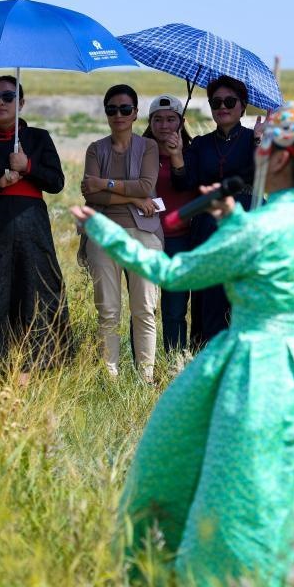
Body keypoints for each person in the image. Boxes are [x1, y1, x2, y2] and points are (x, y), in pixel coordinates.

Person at [71, 102, 294, 587]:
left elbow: (173, 272)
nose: (256, 154)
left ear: (279, 159)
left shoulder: (263, 227)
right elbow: (268, 270)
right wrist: (235, 222)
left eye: (263, 146)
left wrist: (103, 231)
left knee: (230, 486)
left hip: (256, 372)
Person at [0, 75, 70, 379]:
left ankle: (28, 372)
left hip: (32, 229)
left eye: (8, 97)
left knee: (34, 293)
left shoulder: (39, 138)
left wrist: (27, 166)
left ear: (21, 102)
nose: (1, 103)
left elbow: (56, 182)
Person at [169, 76, 264, 345]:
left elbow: (264, 178)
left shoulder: (254, 139)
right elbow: (184, 183)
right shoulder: (200, 144)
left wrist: (260, 143)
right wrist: (177, 155)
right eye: (216, 102)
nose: (222, 107)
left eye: (229, 102)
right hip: (208, 227)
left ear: (242, 106)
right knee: (209, 297)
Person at [81, 85, 162, 382]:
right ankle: (110, 377)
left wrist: (106, 183)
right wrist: (135, 199)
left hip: (144, 235)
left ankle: (146, 377)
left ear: (136, 113)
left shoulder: (148, 147)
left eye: (125, 109)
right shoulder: (95, 148)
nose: (119, 115)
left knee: (145, 309)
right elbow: (90, 194)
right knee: (108, 310)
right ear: (106, 113)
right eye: (112, 109)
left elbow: (145, 185)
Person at [142, 93, 196, 361]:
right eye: (158, 119)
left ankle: (174, 362)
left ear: (181, 122)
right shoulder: (139, 154)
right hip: (147, 238)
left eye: (171, 119)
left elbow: (186, 185)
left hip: (180, 240)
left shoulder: (193, 153)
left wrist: (177, 156)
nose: (164, 125)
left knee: (175, 309)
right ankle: (145, 367)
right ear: (150, 123)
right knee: (145, 308)